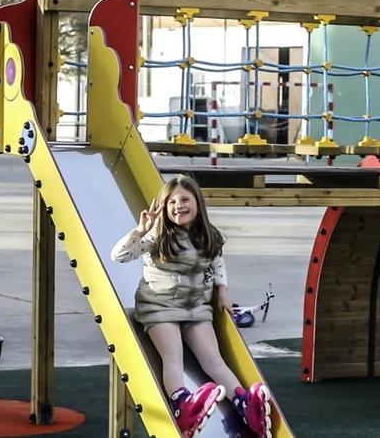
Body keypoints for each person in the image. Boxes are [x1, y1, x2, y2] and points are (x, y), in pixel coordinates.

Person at [111, 174, 270, 437]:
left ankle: (245, 406)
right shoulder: (157, 235)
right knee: (173, 355)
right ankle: (181, 404)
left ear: (197, 202)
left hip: (196, 307)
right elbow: (118, 256)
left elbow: (218, 263)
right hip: (159, 305)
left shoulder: (209, 236)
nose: (178, 206)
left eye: (185, 199)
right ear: (163, 207)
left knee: (214, 360)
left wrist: (222, 291)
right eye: (171, 202)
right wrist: (140, 231)